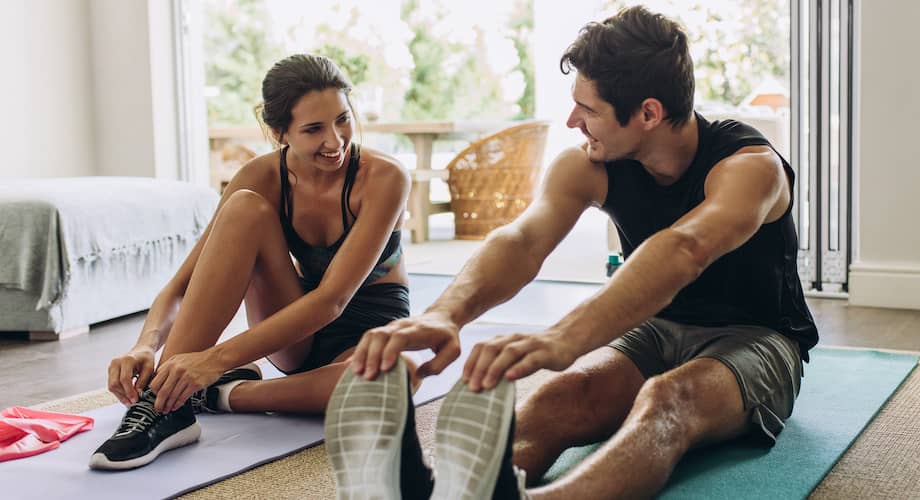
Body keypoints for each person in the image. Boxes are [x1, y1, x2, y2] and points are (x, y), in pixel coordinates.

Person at [326, 5, 819, 499]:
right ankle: (440, 490)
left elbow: (684, 250)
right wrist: (444, 315)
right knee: (562, 395)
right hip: (656, 328)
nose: (571, 120)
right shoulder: (590, 164)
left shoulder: (750, 168)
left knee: (667, 401)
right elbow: (522, 242)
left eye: (589, 109)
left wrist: (564, 338)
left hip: (758, 339)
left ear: (648, 113)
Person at [90, 53, 418, 471]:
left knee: (397, 378)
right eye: (314, 129)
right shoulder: (261, 176)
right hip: (293, 329)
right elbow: (182, 284)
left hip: (368, 334)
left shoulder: (385, 177)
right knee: (244, 208)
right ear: (279, 131)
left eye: (343, 119)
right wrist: (145, 344)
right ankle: (163, 406)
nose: (335, 141)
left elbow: (332, 301)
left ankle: (213, 394)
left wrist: (213, 363)